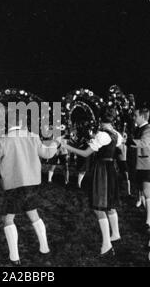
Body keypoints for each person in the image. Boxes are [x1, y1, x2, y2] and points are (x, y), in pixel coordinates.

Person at [0, 109, 58, 266]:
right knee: (33, 214)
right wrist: (56, 143)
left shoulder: (4, 140)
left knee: (8, 219)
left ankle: (14, 257)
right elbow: (47, 154)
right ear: (21, 122)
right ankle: (44, 248)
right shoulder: (32, 137)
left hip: (14, 185)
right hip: (33, 183)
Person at [62, 107, 122, 256]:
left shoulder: (101, 134)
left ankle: (107, 244)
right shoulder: (116, 134)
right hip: (111, 169)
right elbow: (118, 149)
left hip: (102, 170)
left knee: (98, 207)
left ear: (101, 120)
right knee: (110, 204)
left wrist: (67, 146)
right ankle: (115, 233)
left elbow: (85, 153)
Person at [128, 108, 150, 233]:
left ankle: (149, 221)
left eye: (135, 115)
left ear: (142, 116)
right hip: (140, 164)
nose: (133, 117)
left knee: (146, 191)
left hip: (148, 165)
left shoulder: (149, 130)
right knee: (143, 190)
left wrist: (127, 141)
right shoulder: (139, 129)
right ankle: (149, 216)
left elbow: (143, 143)